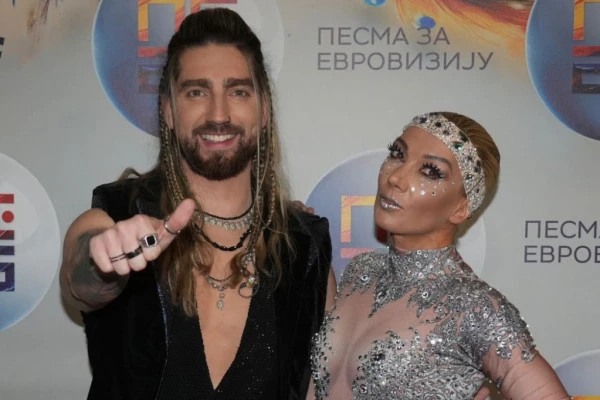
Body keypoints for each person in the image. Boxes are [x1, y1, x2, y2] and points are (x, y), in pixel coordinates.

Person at [59, 8, 335, 400]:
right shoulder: (116, 216)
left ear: (264, 110)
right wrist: (103, 264)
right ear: (168, 111)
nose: (218, 114)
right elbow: (81, 282)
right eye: (196, 92)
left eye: (238, 91)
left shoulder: (304, 250)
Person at [308, 112, 570, 399]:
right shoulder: (361, 270)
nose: (395, 177)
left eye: (430, 171)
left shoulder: (472, 306)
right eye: (397, 154)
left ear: (461, 208)